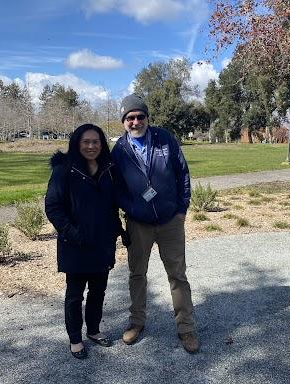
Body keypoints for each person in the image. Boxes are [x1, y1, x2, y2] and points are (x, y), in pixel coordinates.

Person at [111, 94, 199, 353]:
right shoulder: (120, 150)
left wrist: (182, 209)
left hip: (171, 220)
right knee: (137, 274)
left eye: (140, 116)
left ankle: (186, 328)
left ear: (147, 118)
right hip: (139, 224)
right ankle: (137, 322)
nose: (135, 121)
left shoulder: (164, 138)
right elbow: (116, 188)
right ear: (124, 121)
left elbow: (182, 172)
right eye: (130, 117)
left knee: (177, 275)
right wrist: (133, 208)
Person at [45, 123, 122, 359]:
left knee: (98, 290)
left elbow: (111, 204)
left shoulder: (108, 168)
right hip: (76, 244)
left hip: (102, 243)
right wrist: (72, 233)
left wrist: (118, 229)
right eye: (86, 141)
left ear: (102, 144)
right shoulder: (64, 170)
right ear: (77, 143)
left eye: (96, 142)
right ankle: (75, 339)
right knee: (75, 294)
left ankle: (94, 330)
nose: (91, 146)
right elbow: (53, 207)